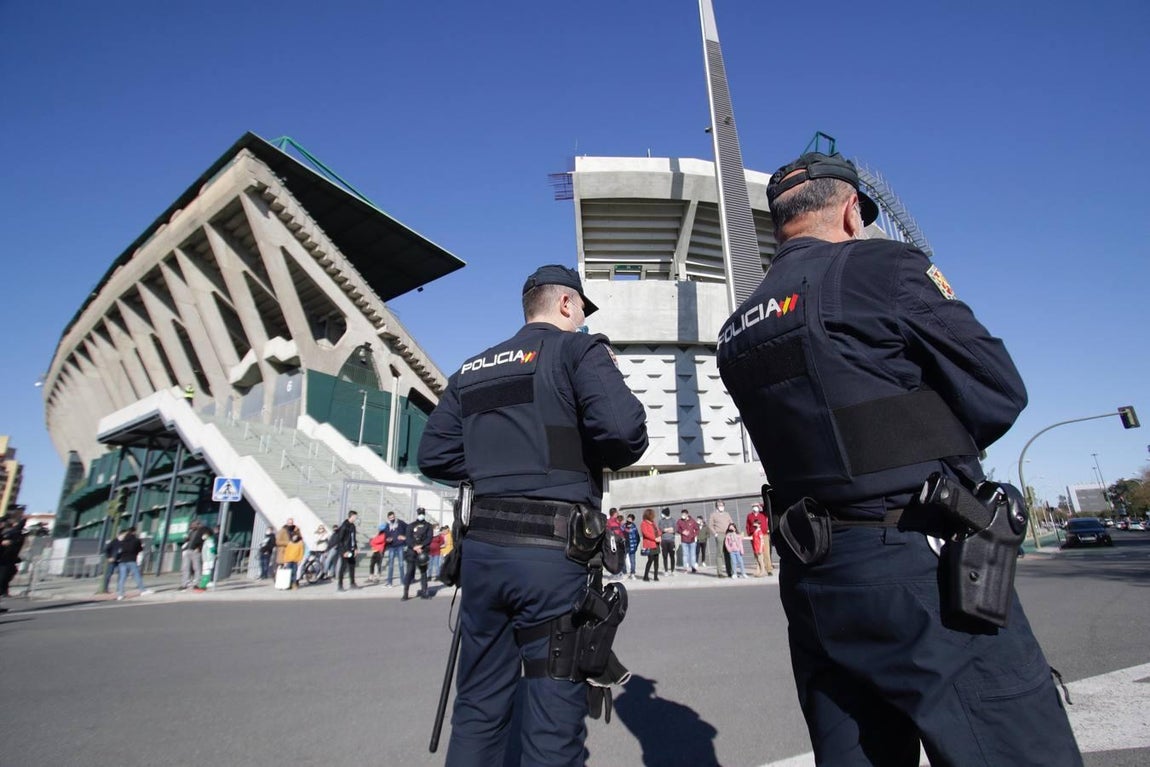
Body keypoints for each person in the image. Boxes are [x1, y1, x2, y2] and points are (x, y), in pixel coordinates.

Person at [716, 151, 1081, 765]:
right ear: (853, 212)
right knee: (1012, 743)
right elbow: (998, 388)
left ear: (779, 223)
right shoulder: (882, 267)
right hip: (918, 562)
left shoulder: (737, 328)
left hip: (815, 581)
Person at [418, 263, 648, 766]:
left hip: (482, 557)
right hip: (551, 557)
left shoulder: (472, 367)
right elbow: (626, 434)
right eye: (582, 311)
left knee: (477, 708)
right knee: (550, 720)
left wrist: (497, 469)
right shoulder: (577, 350)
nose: (583, 320)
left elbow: (433, 455)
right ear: (566, 304)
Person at [402, 508, 433, 600]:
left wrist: (421, 546)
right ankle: (405, 593)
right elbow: (408, 538)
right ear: (417, 514)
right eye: (420, 513)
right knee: (409, 572)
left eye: (422, 513)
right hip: (412, 552)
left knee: (423, 573)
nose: (421, 515)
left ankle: (424, 592)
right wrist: (414, 546)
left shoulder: (428, 526)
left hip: (423, 551)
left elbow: (429, 538)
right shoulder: (411, 525)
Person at [113, 527, 152, 600]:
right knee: (136, 575)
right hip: (132, 559)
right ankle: (142, 590)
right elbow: (140, 549)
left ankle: (120, 594)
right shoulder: (136, 540)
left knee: (122, 577)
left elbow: (119, 549)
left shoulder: (122, 541)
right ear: (134, 532)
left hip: (122, 560)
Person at [333, 511, 360, 591]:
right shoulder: (344, 526)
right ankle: (340, 585)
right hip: (345, 550)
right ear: (351, 516)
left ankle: (352, 583)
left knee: (352, 566)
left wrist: (355, 548)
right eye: (355, 517)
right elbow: (340, 540)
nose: (356, 518)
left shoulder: (352, 526)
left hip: (351, 550)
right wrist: (344, 551)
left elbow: (353, 538)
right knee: (343, 567)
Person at [745, 503, 773, 576]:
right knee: (757, 553)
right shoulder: (749, 516)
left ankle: (768, 569)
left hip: (764, 534)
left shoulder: (763, 514)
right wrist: (749, 533)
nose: (755, 508)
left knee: (766, 552)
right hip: (754, 535)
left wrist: (760, 504)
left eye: (756, 506)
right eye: (753, 506)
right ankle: (760, 568)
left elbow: (766, 507)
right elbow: (747, 526)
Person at [707, 501, 734, 578]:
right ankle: (720, 572)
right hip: (719, 534)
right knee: (720, 553)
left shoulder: (727, 514)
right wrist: (715, 534)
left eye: (722, 505)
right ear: (716, 506)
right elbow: (710, 525)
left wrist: (732, 529)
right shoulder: (713, 515)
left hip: (728, 534)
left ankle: (730, 571)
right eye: (719, 505)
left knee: (728, 553)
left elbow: (731, 523)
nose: (721, 506)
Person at [381, 512, 407, 587]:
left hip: (400, 546)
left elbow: (408, 528)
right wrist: (388, 539)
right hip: (392, 546)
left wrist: (404, 537)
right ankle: (390, 583)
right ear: (388, 518)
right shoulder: (387, 525)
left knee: (401, 564)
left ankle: (402, 582)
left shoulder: (400, 522)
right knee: (391, 565)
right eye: (390, 518)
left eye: (393, 517)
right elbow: (386, 536)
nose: (392, 519)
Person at [180, 519, 208, 590]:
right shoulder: (191, 532)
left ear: (198, 525)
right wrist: (186, 540)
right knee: (185, 567)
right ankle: (184, 584)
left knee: (197, 567)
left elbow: (205, 540)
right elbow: (187, 540)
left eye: (194, 524)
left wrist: (199, 548)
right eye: (192, 525)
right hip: (188, 550)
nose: (192, 526)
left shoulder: (203, 532)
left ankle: (197, 583)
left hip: (196, 550)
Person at [675, 509, 700, 574]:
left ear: (687, 514)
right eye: (682, 514)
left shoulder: (692, 521)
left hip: (692, 541)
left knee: (692, 555)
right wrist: (682, 532)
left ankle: (693, 567)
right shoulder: (679, 521)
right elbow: (677, 529)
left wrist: (693, 535)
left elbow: (697, 529)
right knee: (685, 555)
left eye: (684, 514)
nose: (683, 515)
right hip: (684, 541)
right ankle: (685, 568)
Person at [640, 508, 660, 582]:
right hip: (650, 544)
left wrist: (659, 536)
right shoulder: (644, 523)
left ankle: (655, 576)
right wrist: (655, 539)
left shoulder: (653, 523)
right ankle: (645, 576)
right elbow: (646, 534)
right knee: (650, 560)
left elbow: (657, 531)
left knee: (656, 561)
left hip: (656, 544)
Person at [657, 507, 676, 575]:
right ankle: (666, 570)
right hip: (664, 541)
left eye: (663, 513)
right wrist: (668, 529)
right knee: (665, 556)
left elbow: (675, 529)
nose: (662, 514)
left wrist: (666, 530)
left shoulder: (673, 520)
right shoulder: (661, 521)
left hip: (671, 541)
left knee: (672, 556)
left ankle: (672, 570)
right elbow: (661, 529)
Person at [622, 513, 640, 579]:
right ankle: (624, 572)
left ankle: (632, 573)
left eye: (630, 519)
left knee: (632, 560)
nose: (628, 520)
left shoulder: (634, 527)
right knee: (623, 560)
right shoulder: (623, 526)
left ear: (632, 520)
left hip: (632, 546)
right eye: (628, 518)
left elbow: (638, 537)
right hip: (625, 546)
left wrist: (636, 546)